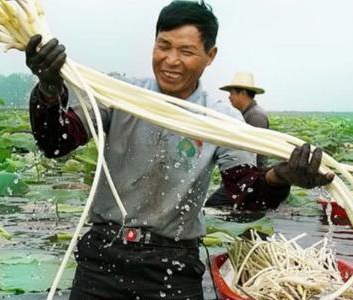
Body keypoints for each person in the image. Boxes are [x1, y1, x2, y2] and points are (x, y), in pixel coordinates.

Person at [25, 1, 334, 299]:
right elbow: (56, 142)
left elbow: (244, 192)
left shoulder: (220, 119)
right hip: (103, 255)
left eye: (186, 51)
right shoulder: (119, 96)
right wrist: (49, 92)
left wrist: (279, 176)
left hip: (172, 264)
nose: (171, 60)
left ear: (210, 55)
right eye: (164, 46)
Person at [205, 72, 269, 207]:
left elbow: (253, 154)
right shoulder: (245, 114)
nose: (229, 97)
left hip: (251, 179)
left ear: (243, 94)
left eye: (232, 93)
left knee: (213, 204)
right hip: (244, 177)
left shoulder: (255, 116)